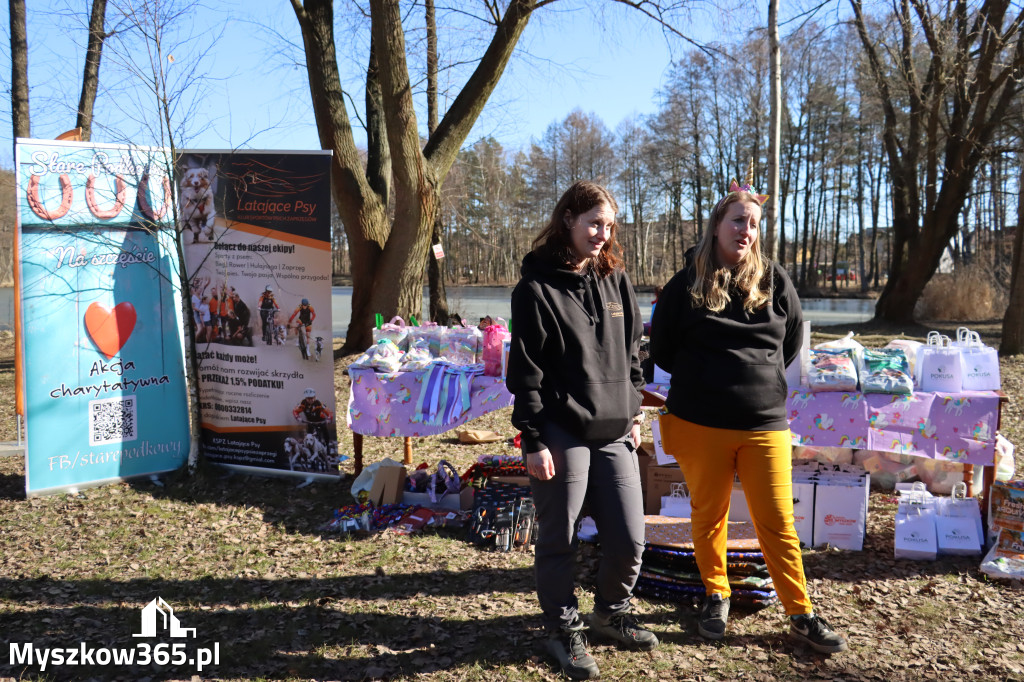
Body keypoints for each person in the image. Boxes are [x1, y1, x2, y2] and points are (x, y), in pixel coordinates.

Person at [649, 177, 849, 654]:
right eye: (738, 220)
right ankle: (716, 595)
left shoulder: (775, 280)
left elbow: (792, 340)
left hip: (764, 424)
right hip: (699, 423)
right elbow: (664, 349)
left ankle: (800, 612)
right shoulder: (684, 285)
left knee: (777, 519)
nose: (746, 230)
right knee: (709, 514)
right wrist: (708, 380)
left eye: (754, 224)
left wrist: (752, 380)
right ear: (717, 224)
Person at [506, 180, 656, 680]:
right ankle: (561, 627)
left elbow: (636, 352)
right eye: (594, 223)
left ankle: (610, 612)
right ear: (568, 218)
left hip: (615, 428)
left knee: (630, 539)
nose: (602, 233)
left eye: (609, 225)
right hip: (560, 430)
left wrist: (635, 410)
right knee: (559, 537)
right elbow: (526, 371)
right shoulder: (535, 288)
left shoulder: (615, 280)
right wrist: (532, 438)